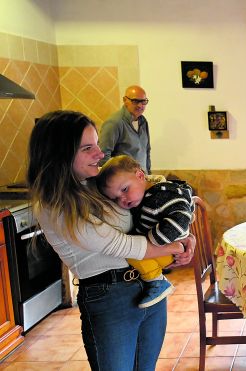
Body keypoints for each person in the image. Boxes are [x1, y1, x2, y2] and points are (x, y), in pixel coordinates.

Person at [27, 110, 195, 370]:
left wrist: (187, 235)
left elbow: (149, 212)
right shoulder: (54, 205)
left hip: (149, 287)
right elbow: (120, 245)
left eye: (96, 144)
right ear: (60, 155)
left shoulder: (97, 184)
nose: (100, 153)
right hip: (108, 298)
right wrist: (175, 246)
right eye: (87, 148)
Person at [96, 155, 195, 308]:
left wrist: (152, 240)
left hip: (164, 249)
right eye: (115, 198)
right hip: (167, 249)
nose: (122, 199)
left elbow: (183, 216)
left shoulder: (161, 196)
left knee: (131, 251)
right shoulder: (150, 195)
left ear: (141, 175)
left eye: (125, 189)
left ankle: (156, 281)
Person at [99, 85, 151, 173]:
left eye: (143, 101)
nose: (139, 105)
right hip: (123, 183)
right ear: (125, 100)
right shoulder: (114, 123)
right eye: (135, 101)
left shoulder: (143, 121)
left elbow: (147, 151)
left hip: (141, 179)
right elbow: (102, 156)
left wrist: (148, 175)